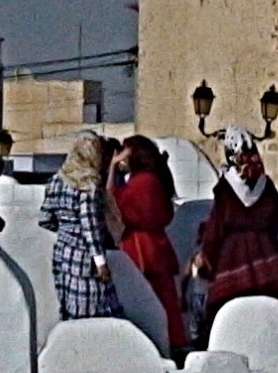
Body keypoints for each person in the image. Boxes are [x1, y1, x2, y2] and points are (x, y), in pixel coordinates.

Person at [192, 126, 278, 336]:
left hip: (232, 253)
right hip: (264, 251)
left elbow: (216, 225)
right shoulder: (265, 184)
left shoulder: (225, 187)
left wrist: (207, 253)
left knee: (231, 306)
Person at [110, 134, 190, 357]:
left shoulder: (142, 182)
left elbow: (117, 206)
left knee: (151, 298)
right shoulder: (151, 179)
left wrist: (112, 169)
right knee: (165, 298)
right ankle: (174, 342)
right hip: (154, 247)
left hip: (142, 247)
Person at [37, 132, 123, 321]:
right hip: (84, 257)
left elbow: (45, 218)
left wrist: (66, 231)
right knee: (94, 309)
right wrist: (100, 262)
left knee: (67, 304)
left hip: (62, 254)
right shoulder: (87, 184)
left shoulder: (57, 181)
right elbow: (89, 224)